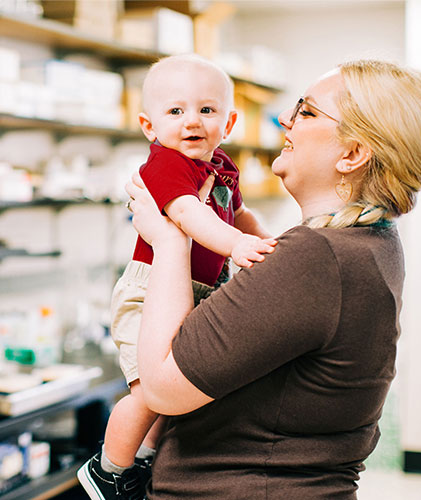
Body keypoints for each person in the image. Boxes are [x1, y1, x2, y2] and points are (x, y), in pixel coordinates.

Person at [126, 59, 421, 499]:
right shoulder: (373, 240)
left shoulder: (316, 256)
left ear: (351, 154)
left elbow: (160, 388)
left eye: (307, 112)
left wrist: (168, 241)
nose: (285, 121)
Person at [78, 54, 276, 500]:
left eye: (207, 110)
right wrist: (237, 247)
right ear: (150, 126)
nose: (192, 121)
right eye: (176, 111)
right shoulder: (167, 164)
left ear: (229, 122)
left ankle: (142, 461)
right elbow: (186, 215)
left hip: (197, 294)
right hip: (149, 292)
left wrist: (269, 242)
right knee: (150, 392)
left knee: (176, 394)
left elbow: (240, 214)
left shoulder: (222, 165)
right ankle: (107, 470)